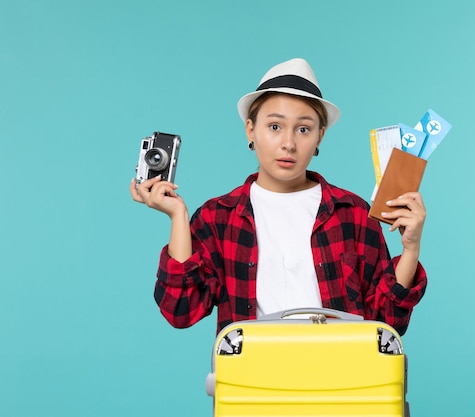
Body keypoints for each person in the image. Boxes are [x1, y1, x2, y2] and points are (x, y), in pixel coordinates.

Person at [130, 58, 427, 336]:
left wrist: (411, 248)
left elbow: (387, 323)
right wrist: (178, 216)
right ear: (251, 130)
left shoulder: (353, 213)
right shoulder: (218, 217)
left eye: (303, 129)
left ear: (319, 137)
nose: (288, 143)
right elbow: (181, 310)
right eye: (274, 126)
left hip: (342, 380)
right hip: (255, 382)